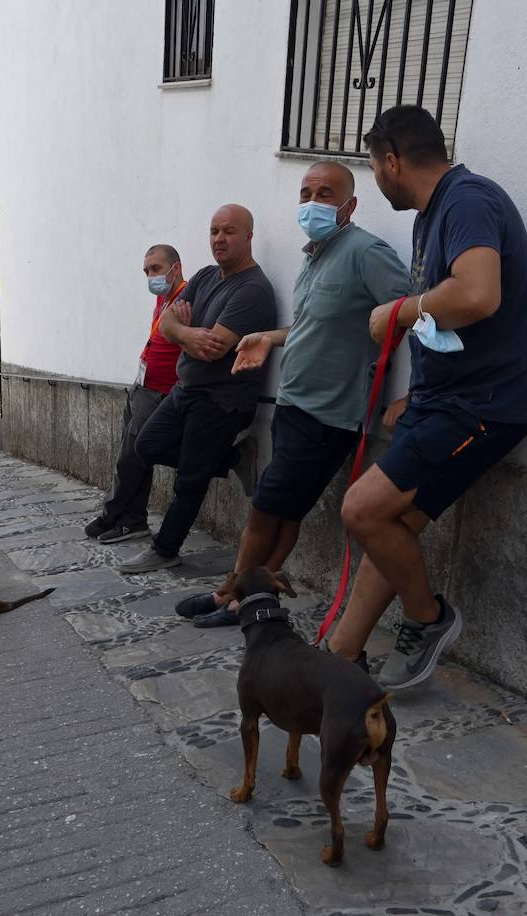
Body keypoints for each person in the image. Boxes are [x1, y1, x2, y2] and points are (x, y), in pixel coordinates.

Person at [325, 105, 527, 691]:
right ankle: (341, 658)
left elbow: (476, 294)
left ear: (392, 160)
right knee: (387, 526)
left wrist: (398, 309)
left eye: (373, 168)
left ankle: (429, 618)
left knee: (361, 509)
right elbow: (449, 323)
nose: (377, 179)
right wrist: (415, 392)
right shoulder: (432, 215)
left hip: (479, 406)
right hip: (444, 402)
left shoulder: (467, 200)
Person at [174, 162, 411, 629]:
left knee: (264, 508)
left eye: (326, 194)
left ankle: (230, 594)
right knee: (284, 512)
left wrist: (414, 392)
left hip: (331, 414)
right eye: (306, 194)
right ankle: (251, 598)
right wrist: (269, 337)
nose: (312, 203)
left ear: (350, 205)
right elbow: (313, 325)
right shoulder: (316, 254)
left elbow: (410, 314)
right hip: (295, 403)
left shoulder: (365, 251)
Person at [120, 205, 278, 573]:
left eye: (229, 231)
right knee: (147, 444)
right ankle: (236, 458)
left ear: (248, 237)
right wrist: (187, 333)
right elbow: (167, 325)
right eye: (214, 231)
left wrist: (182, 333)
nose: (219, 239)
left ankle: (165, 548)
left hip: (222, 399)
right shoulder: (207, 276)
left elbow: (214, 349)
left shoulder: (254, 290)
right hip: (186, 389)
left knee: (190, 479)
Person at [83, 244, 187, 544]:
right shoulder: (163, 298)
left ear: (175, 268)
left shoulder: (185, 299)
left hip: (161, 392)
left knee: (131, 457)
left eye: (156, 269)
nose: (150, 276)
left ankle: (111, 513)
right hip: (143, 386)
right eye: (146, 271)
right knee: (131, 456)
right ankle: (133, 520)